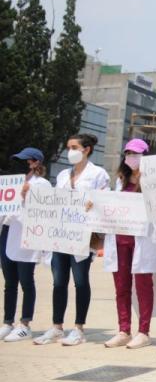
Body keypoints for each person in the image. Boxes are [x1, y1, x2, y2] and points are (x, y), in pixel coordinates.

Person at [33, 133, 111, 346]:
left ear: (86, 149)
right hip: (61, 235)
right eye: (68, 147)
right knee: (58, 282)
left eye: (74, 147)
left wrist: (93, 205)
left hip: (83, 237)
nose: (70, 152)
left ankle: (78, 328)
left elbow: (105, 201)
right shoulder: (62, 175)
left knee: (80, 281)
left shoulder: (98, 174)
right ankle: (57, 327)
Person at [102, 139, 156, 349]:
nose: (132, 157)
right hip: (120, 239)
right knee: (121, 286)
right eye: (129, 153)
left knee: (143, 286)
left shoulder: (154, 180)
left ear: (146, 156)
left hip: (143, 239)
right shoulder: (120, 181)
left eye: (137, 153)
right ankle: (123, 330)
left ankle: (143, 331)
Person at [0, 148, 49, 342]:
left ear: (35, 162)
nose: (19, 164)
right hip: (7, 231)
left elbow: (45, 211)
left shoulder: (42, 184)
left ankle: (25, 323)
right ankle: (7, 322)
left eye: (24, 161)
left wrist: (29, 194)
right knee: (9, 282)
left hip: (27, 235)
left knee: (26, 281)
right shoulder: (11, 182)